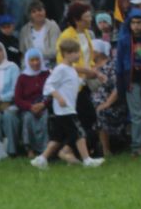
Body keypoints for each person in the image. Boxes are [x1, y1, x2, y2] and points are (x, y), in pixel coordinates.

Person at [32, 34, 105, 169]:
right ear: (66, 54)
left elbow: (75, 84)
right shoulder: (60, 69)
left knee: (57, 139)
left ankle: (41, 159)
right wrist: (59, 97)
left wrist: (92, 78)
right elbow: (48, 85)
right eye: (75, 52)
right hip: (65, 110)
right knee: (80, 133)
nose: (78, 55)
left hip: (69, 108)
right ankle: (87, 160)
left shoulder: (71, 69)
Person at [115, 7, 141, 156]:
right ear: (129, 24)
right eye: (133, 23)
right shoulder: (124, 40)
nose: (136, 26)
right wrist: (121, 83)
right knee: (137, 114)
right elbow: (119, 63)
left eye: (139, 22)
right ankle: (136, 146)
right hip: (131, 81)